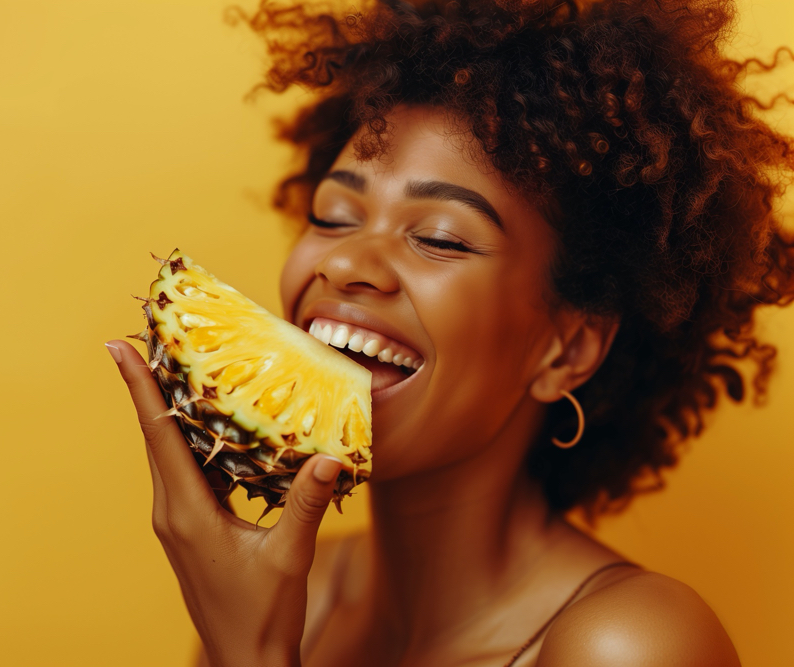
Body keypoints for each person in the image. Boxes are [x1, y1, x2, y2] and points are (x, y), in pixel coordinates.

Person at [104, 0, 794, 664]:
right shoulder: (289, 599)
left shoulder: (628, 646)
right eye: (333, 215)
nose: (345, 261)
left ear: (568, 348)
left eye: (438, 238)